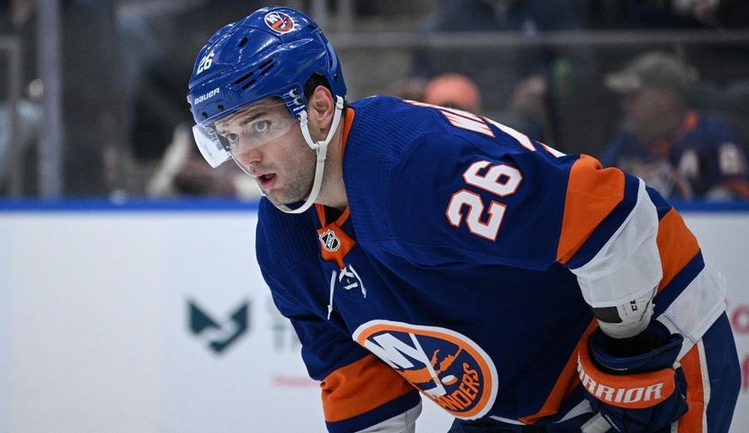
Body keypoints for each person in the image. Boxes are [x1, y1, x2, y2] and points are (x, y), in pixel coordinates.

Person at [186, 7, 741, 433]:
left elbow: (613, 213)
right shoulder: (285, 240)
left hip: (656, 338)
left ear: (321, 108)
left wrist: (630, 345)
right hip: (516, 401)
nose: (246, 156)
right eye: (229, 137)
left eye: (259, 125)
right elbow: (355, 373)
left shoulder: (415, 167)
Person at [601, 51, 749, 200]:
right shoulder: (625, 143)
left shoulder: (715, 138)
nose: (625, 105)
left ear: (665, 98)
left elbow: (736, 199)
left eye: (634, 96)